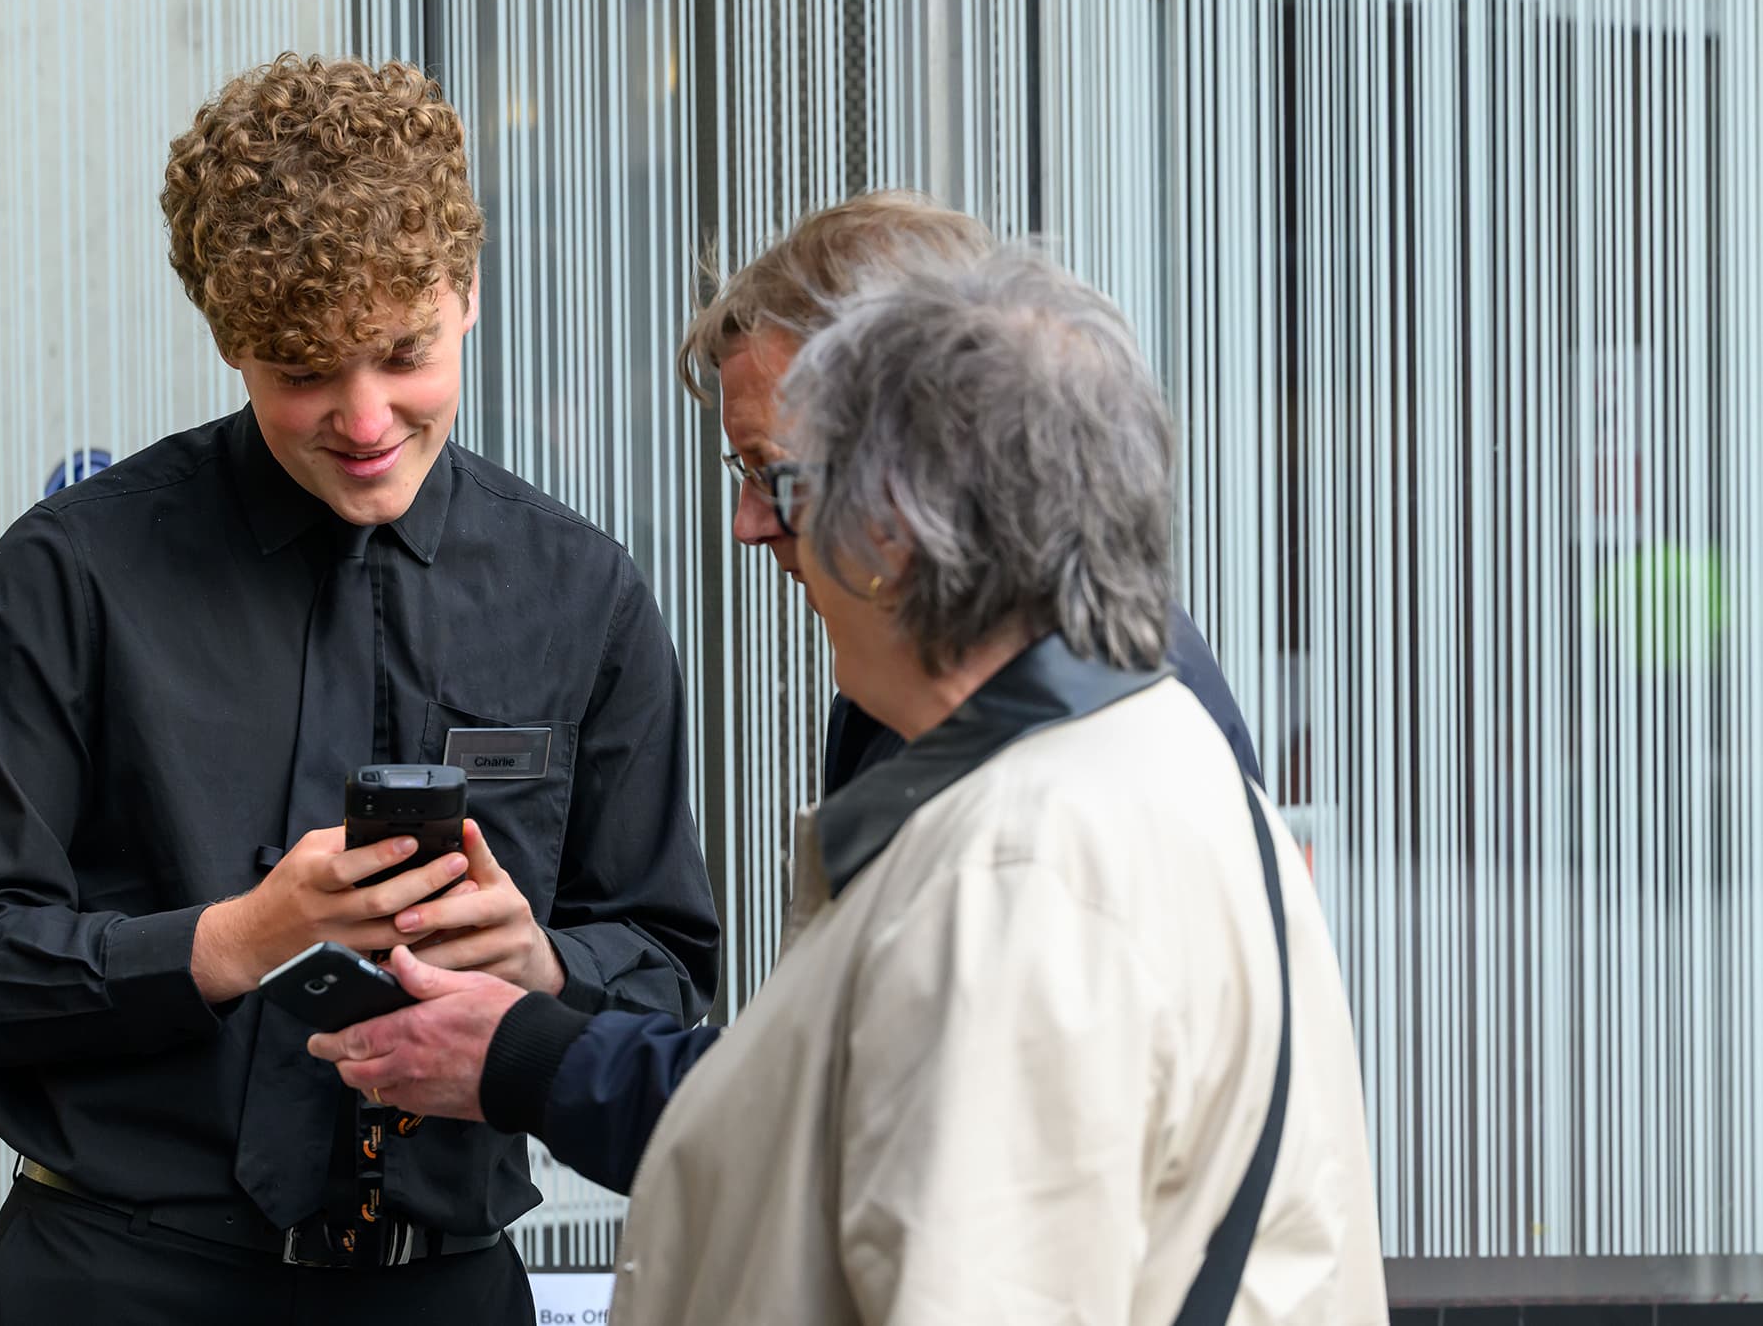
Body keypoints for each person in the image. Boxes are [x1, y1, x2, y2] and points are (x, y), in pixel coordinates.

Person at [317, 246, 1387, 1321]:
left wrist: (531, 1050)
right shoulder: (1115, 747)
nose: (748, 525)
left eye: (781, 481)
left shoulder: (1020, 866)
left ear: (910, 514)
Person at [0, 54, 719, 1325]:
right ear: (228, 339)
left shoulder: (585, 594)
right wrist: (237, 939)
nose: (365, 416)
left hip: (445, 1289)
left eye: (403, 353)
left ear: (470, 294)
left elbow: (667, 966)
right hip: (122, 1281)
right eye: (302, 370)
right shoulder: (70, 576)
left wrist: (543, 966)